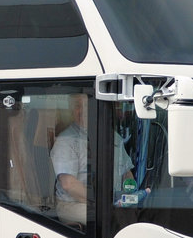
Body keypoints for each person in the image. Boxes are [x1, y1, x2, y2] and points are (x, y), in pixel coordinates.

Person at [50, 94, 133, 226]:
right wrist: (102, 201)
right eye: (78, 106)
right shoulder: (66, 140)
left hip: (111, 202)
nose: (82, 110)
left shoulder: (114, 137)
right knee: (110, 219)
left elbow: (127, 173)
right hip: (74, 204)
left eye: (87, 105)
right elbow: (68, 184)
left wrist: (132, 195)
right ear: (72, 110)